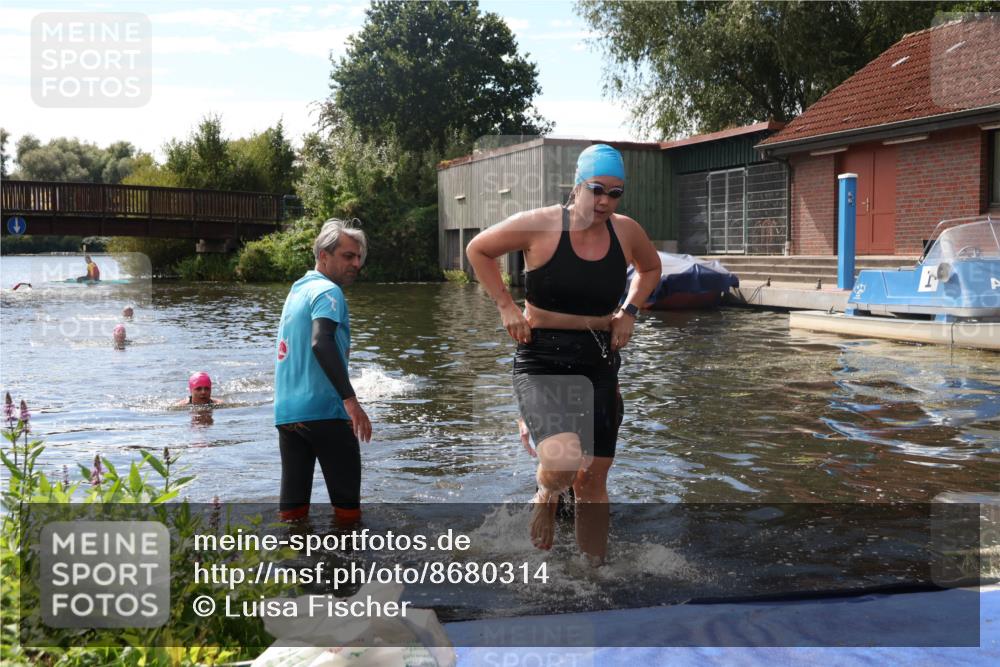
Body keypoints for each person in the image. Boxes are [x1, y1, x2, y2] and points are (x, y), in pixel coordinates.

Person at [466, 144, 661, 562]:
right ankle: (546, 492)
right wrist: (505, 305)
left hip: (599, 358)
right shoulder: (540, 225)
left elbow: (651, 268)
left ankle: (595, 572)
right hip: (542, 358)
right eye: (597, 189)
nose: (606, 201)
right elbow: (478, 250)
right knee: (562, 463)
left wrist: (629, 312)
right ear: (577, 186)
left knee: (593, 480)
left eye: (616, 192)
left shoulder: (626, 232)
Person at [274, 218, 372, 524]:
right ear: (323, 256)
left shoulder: (296, 291)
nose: (356, 263)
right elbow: (321, 342)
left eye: (359, 257)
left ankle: (291, 569)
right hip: (326, 412)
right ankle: (344, 569)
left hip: (288, 414)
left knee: (292, 513)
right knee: (348, 515)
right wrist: (351, 401)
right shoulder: (329, 292)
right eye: (348, 256)